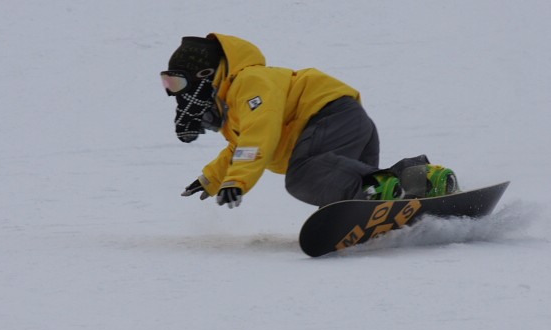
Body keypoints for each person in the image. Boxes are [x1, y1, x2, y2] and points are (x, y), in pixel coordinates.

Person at [160, 33, 458, 209]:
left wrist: (238, 180)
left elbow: (258, 132)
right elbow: (240, 146)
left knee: (302, 177)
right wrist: (211, 179)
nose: (172, 93)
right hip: (344, 124)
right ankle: (421, 178)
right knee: (337, 192)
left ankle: (375, 187)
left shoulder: (248, 82)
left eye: (175, 83)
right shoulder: (233, 106)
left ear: (205, 75)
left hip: (328, 118)